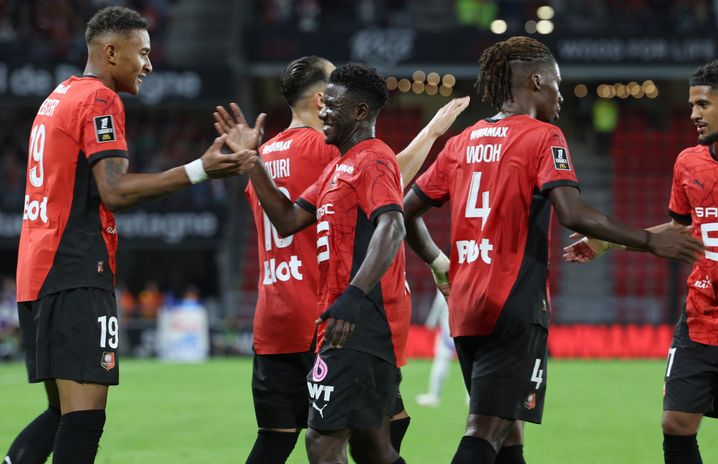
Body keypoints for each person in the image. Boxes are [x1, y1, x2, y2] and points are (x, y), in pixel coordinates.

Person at [402, 36, 704, 464]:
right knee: (484, 431)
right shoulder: (543, 136)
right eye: (557, 85)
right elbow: (571, 211)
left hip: (467, 305)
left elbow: (404, 212)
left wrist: (438, 264)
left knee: (508, 432)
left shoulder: (462, 142)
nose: (561, 95)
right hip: (513, 303)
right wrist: (651, 240)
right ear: (537, 80)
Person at [6, 6, 256, 464]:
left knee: (59, 411)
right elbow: (116, 190)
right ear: (110, 51)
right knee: (82, 420)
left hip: (38, 272)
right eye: (142, 53)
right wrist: (200, 169)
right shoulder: (100, 100)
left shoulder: (56, 97)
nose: (149, 63)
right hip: (75, 270)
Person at [212, 56, 468, 463]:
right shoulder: (334, 164)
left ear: (359, 110)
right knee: (371, 440)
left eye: (335, 102)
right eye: (326, 99)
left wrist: (353, 295)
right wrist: (250, 160)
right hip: (327, 317)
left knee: (318, 439)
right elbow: (288, 217)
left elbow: (392, 218)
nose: (326, 108)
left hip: (341, 319)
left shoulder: (368, 157)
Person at [563, 59, 718, 464]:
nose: (693, 114)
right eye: (691, 105)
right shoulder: (688, 162)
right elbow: (678, 231)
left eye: (702, 104)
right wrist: (608, 243)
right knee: (676, 423)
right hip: (701, 320)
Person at [416, 291, 456, 408]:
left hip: (447, 331)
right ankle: (471, 398)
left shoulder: (444, 284)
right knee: (471, 364)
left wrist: (431, 323)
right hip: (465, 330)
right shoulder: (467, 282)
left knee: (441, 361)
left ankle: (434, 396)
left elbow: (437, 307)